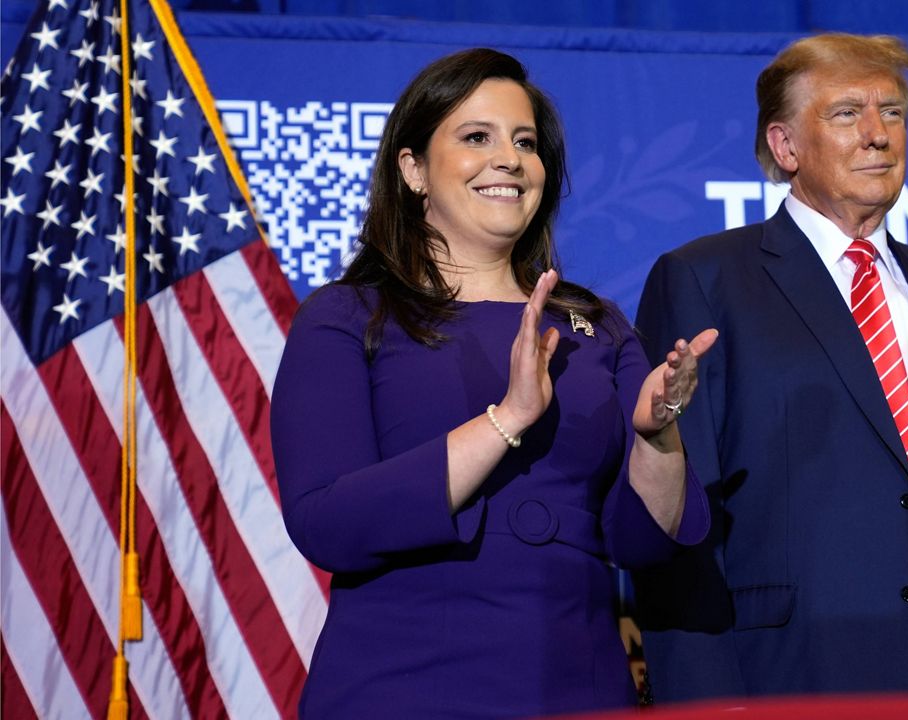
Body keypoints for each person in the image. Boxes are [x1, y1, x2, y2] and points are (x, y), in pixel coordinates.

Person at [270, 48, 716, 719]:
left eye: (526, 142)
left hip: (579, 684)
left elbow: (641, 542)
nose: (509, 158)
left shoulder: (597, 324)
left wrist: (658, 436)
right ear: (413, 169)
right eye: (476, 137)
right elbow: (326, 522)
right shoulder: (347, 316)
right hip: (399, 686)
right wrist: (506, 419)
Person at [633, 33, 908, 698]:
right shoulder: (705, 280)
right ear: (784, 147)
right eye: (846, 114)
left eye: (891, 113)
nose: (877, 135)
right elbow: (682, 524)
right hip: (806, 661)